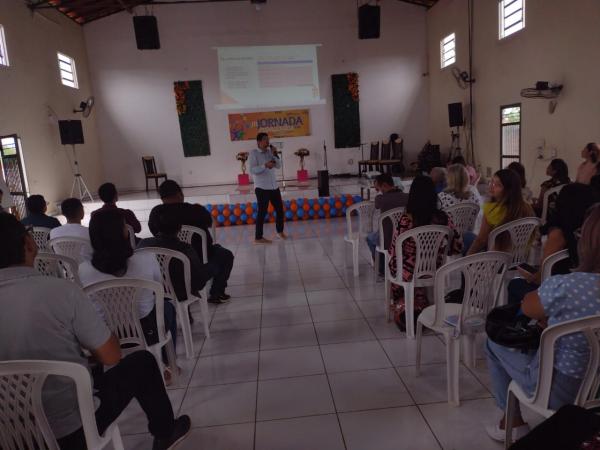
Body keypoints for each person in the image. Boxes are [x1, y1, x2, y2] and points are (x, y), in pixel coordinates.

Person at [0, 213, 190, 450]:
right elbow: (111, 356)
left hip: (7, 438)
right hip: (69, 434)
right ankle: (166, 432)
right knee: (142, 362)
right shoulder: (60, 292)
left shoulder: (83, 272)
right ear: (29, 243)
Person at [485, 205, 600, 443]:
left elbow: (527, 306)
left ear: (587, 243)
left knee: (493, 343)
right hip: (596, 388)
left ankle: (513, 421)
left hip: (560, 390)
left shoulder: (567, 286)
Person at [78, 209, 179, 380]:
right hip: (148, 330)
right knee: (167, 307)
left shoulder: (83, 270)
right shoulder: (146, 258)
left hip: (106, 335)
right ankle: (167, 363)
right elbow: (159, 289)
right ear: (122, 233)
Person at [387, 176, 462, 331]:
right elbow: (456, 247)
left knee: (394, 263)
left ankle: (407, 304)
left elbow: (394, 249)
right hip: (436, 269)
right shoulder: (445, 219)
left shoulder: (405, 220)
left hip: (409, 271)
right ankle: (422, 304)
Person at [507, 183, 600, 305]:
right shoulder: (592, 236)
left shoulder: (557, 236)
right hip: (586, 298)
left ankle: (520, 322)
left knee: (515, 284)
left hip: (555, 295)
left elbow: (543, 279)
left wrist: (531, 277)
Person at [149, 180, 233, 303]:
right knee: (225, 255)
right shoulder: (196, 211)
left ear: (162, 198)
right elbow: (209, 222)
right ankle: (217, 292)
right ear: (180, 194)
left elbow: (154, 233)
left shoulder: (156, 214)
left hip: (168, 265)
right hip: (197, 266)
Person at [139, 204, 217, 303]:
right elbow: (199, 281)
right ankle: (217, 293)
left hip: (155, 290)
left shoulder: (143, 244)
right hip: (181, 292)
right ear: (180, 228)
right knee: (216, 263)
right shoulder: (185, 248)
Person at [465, 169, 535, 255]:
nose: (491, 186)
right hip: (519, 257)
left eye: (498, 185)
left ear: (509, 190)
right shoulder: (527, 208)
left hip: (495, 259)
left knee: (466, 236)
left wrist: (467, 257)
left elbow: (481, 240)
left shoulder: (491, 210)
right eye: (491, 182)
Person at [365, 173, 409, 276]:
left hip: (387, 238)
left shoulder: (380, 199)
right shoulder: (407, 197)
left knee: (370, 238)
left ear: (384, 185)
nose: (379, 191)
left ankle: (382, 268)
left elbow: (376, 206)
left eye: (378, 188)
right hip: (405, 236)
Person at [249, 132, 286, 243]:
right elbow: (252, 170)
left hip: (274, 187)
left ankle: (280, 232)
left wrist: (275, 154)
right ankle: (258, 237)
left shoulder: (270, 152)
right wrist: (265, 165)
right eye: (265, 139)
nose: (267, 141)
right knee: (262, 212)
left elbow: (278, 165)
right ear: (259, 142)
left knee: (280, 210)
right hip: (261, 188)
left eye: (268, 139)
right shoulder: (254, 154)